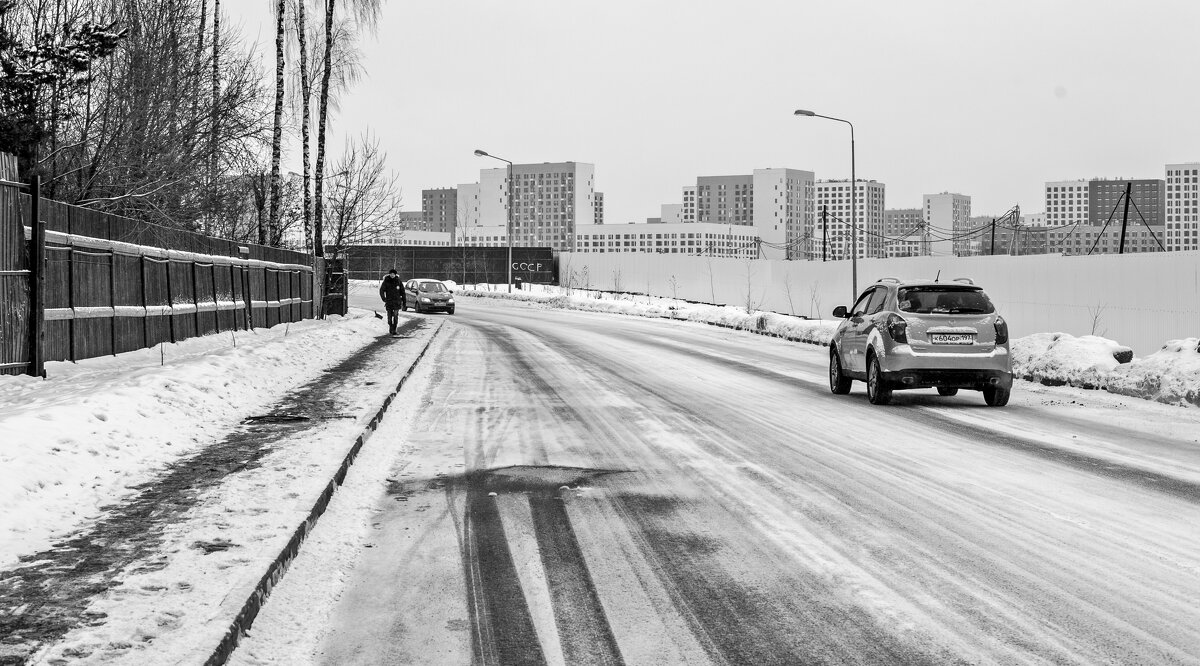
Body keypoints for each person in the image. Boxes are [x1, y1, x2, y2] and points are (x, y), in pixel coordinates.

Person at [379, 268, 405, 335]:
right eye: (391, 274)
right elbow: (381, 290)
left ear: (395, 274)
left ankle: (394, 329)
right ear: (389, 274)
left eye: (393, 274)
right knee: (389, 318)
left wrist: (404, 301)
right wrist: (384, 299)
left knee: (395, 316)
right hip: (389, 302)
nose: (392, 275)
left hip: (397, 302)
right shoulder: (386, 281)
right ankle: (391, 326)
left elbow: (403, 292)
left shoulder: (398, 281)